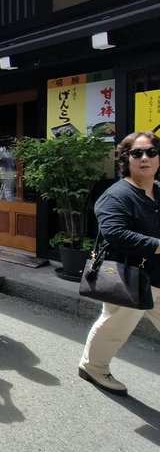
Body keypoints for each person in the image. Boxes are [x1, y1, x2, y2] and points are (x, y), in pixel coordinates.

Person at [79, 131, 160, 396]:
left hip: (156, 276)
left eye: (151, 152)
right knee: (115, 327)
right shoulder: (117, 195)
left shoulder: (157, 190)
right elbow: (115, 232)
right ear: (126, 159)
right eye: (137, 153)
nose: (145, 158)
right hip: (130, 275)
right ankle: (93, 366)